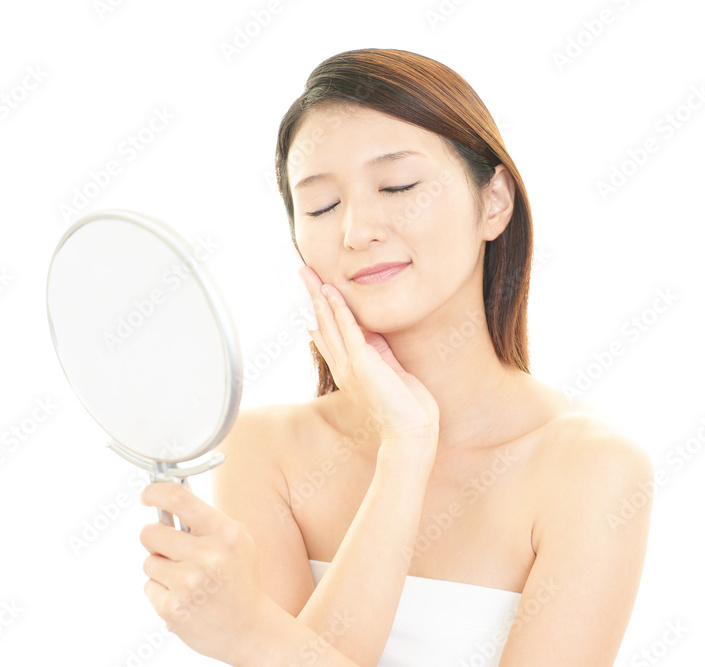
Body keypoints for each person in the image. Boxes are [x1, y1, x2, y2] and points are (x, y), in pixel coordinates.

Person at [139, 47, 653, 666]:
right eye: (321, 206)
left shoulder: (590, 468)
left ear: (494, 201)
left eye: (398, 186)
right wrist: (404, 451)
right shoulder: (263, 451)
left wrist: (253, 637)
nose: (357, 231)